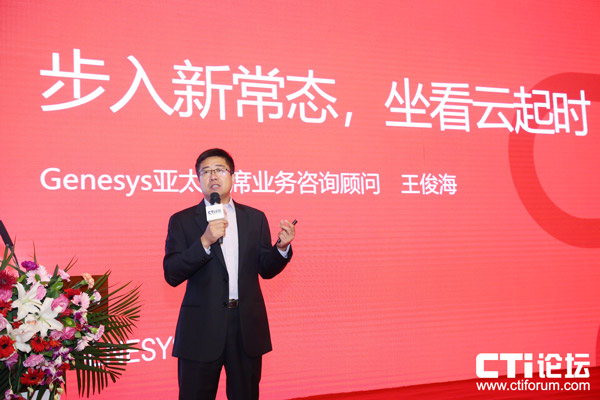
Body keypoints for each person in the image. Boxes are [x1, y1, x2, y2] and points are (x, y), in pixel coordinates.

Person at [163, 148, 295, 400]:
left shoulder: (254, 218)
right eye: (206, 171)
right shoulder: (182, 220)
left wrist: (281, 248)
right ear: (198, 179)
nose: (213, 176)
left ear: (233, 176)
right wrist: (204, 241)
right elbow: (172, 273)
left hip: (245, 328)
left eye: (219, 170)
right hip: (201, 328)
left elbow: (265, 269)